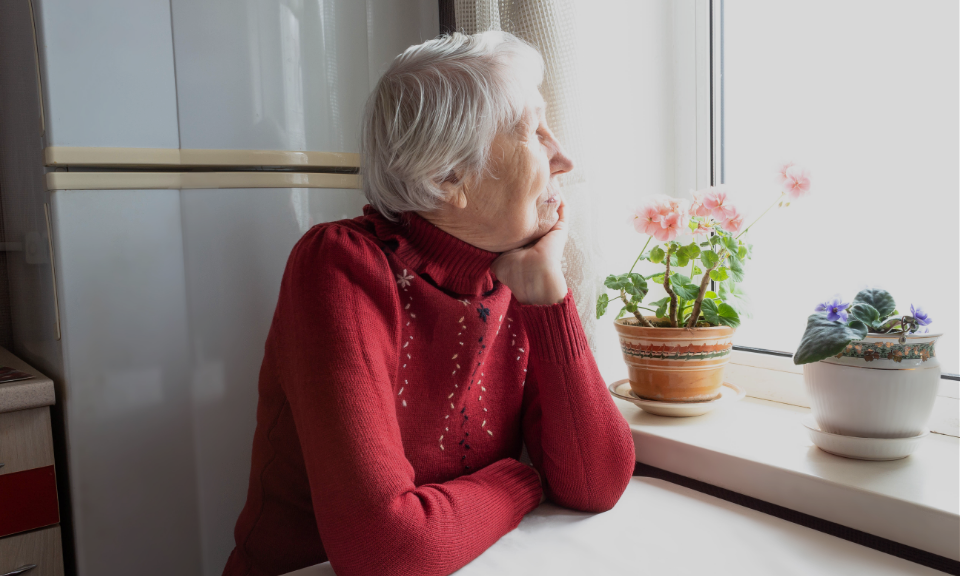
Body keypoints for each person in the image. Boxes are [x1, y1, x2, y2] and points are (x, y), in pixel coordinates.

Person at [223, 31, 635, 576]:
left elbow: (597, 483)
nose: (564, 158)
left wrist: (548, 297)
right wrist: (522, 478)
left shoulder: (511, 267)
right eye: (532, 133)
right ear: (446, 178)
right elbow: (388, 552)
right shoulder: (339, 265)